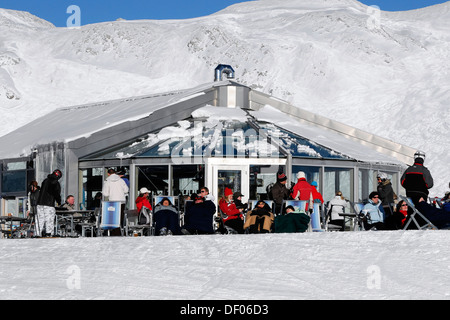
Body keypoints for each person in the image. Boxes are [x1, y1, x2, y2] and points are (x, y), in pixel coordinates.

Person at [36, 169, 62, 237]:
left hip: (40, 203)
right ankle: (49, 233)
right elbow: (56, 193)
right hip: (49, 204)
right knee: (49, 219)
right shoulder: (55, 183)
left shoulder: (45, 181)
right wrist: (59, 201)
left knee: (40, 219)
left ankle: (37, 233)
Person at [102, 168, 129, 235]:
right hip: (122, 202)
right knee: (121, 218)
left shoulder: (107, 181)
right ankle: (122, 232)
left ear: (108, 174)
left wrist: (110, 194)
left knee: (113, 219)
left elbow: (105, 193)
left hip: (112, 202)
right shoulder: (121, 180)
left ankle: (114, 233)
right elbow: (126, 190)